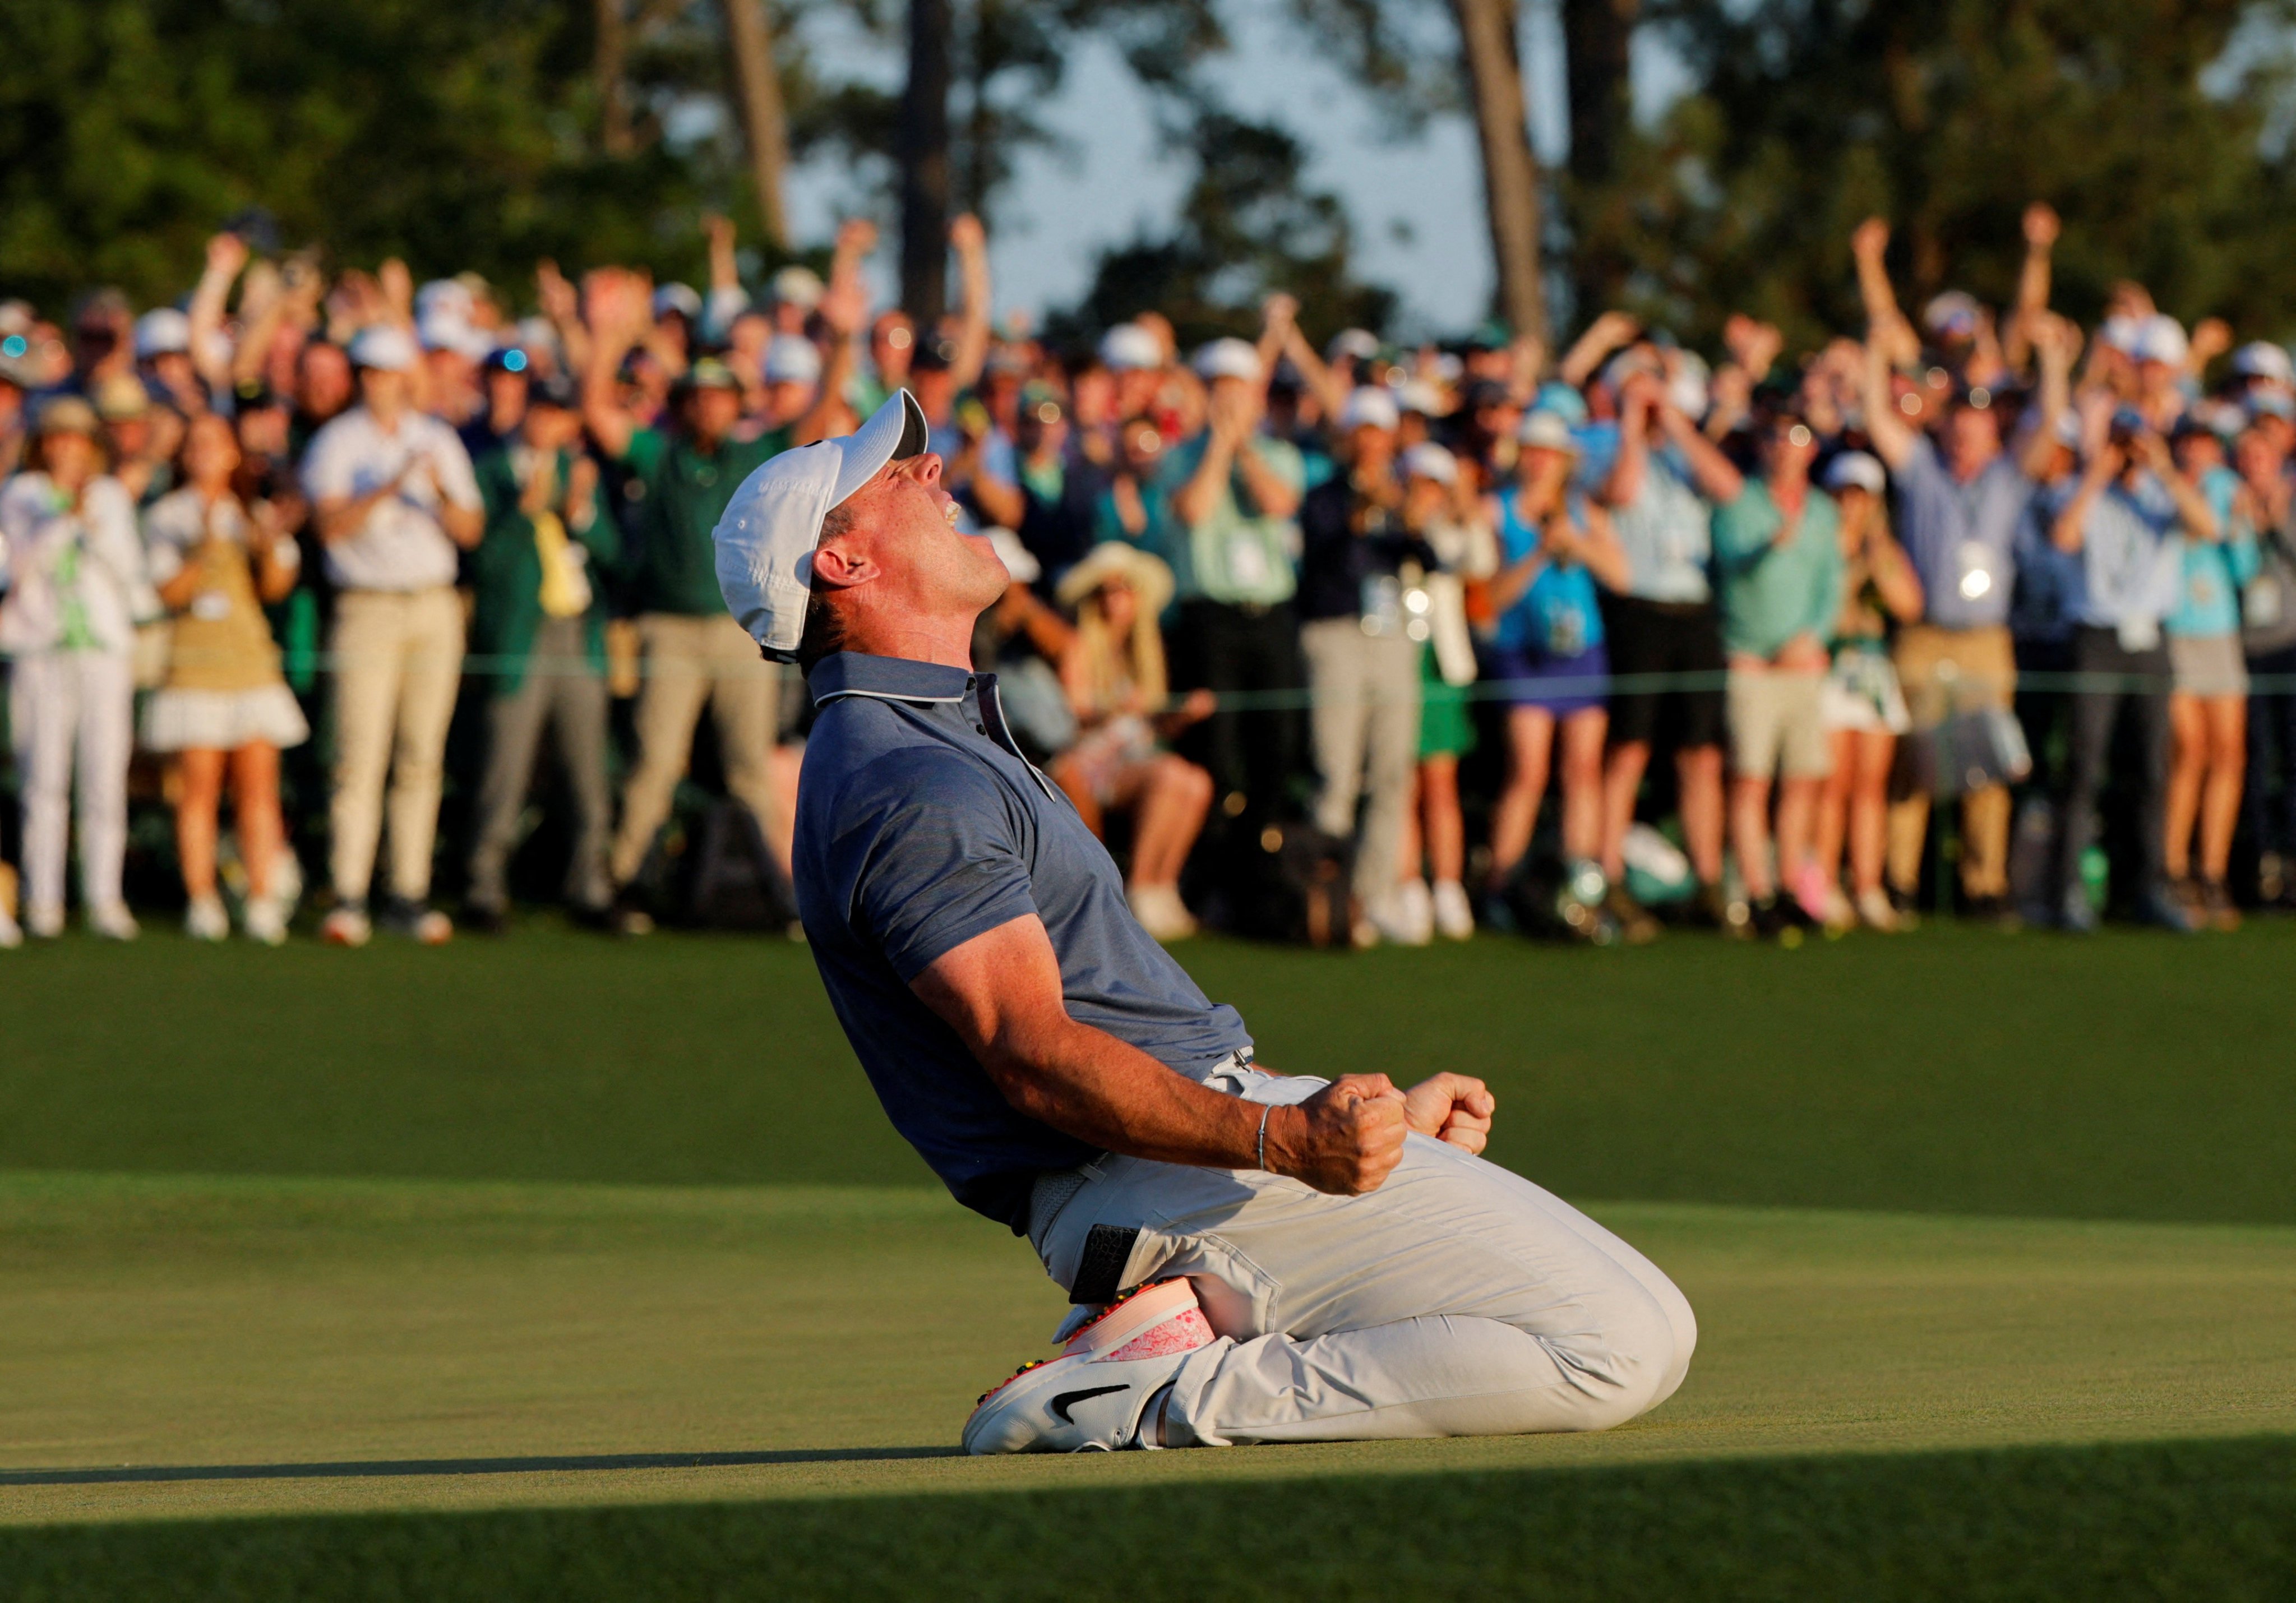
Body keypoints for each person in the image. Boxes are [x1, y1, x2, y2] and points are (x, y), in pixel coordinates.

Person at [712, 390, 1694, 1457]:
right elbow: (1033, 1057)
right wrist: (1284, 1139)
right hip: (1141, 1179)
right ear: (842, 564)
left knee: (1651, 1318)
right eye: (898, 478)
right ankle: (1138, 1396)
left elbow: (1119, 1023)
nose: (936, 473)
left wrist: (1354, 1122)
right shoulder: (906, 774)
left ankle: (1169, 1334)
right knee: (1617, 1343)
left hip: (1188, 1149)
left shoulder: (929, 735)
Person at [580, 266, 854, 931]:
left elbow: (819, 419)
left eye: (722, 395)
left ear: (738, 403)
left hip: (740, 633)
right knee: (653, 767)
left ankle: (787, 896)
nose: (710, 405)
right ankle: (627, 887)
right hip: (667, 631)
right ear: (684, 403)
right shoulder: (661, 455)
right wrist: (610, 339)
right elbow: (597, 410)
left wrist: (842, 346)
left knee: (749, 772)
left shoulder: (755, 456)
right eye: (699, 396)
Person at [1860, 256, 2073, 923]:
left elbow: (2050, 422)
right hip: (1925, 636)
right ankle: (1899, 882)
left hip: (1986, 638)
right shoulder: (1921, 469)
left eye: (1979, 421)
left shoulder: (2008, 476)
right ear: (1948, 425)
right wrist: (1873, 355)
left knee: (1989, 769)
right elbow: (1877, 416)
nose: (1967, 429)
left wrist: (2055, 362)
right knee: (1917, 764)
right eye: (1959, 419)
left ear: (1990, 430)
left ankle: (1985, 887)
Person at [301, 324, 484, 945]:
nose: (379, 383)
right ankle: (349, 893)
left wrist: (430, 489)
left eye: (388, 372)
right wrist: (385, 487)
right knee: (358, 755)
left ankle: (408, 891)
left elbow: (469, 529)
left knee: (420, 756)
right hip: (366, 608)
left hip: (432, 606)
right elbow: (329, 528)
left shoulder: (436, 439)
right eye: (369, 372)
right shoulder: (336, 442)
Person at [140, 412, 309, 943]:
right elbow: (167, 591)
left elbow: (277, 584)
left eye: (217, 444)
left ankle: (262, 898)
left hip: (248, 661)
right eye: (197, 445)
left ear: (235, 454)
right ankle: (203, 898)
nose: (206, 454)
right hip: (193, 663)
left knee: (258, 787)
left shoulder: (252, 513)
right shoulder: (168, 515)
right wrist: (204, 546)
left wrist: (262, 539)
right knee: (198, 787)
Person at [464, 373, 620, 931]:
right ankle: (485, 886)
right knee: (503, 767)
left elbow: (612, 556)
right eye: (543, 411)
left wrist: (579, 511)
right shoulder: (491, 471)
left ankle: (589, 885)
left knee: (586, 770)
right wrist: (521, 514)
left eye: (560, 414)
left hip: (577, 631)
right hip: (519, 634)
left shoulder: (581, 474)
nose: (550, 423)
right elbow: (483, 561)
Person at [0, 396, 155, 939]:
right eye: (57, 438)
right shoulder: (21, 496)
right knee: (43, 778)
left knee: (103, 776)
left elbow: (126, 569)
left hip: (102, 652)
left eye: (77, 439)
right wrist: (61, 519)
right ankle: (44, 901)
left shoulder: (110, 496)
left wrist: (90, 518)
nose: (67, 448)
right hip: (42, 651)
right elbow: (20, 567)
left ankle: (104, 897)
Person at [2047, 412, 2209, 932]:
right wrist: (2097, 473)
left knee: (2151, 768)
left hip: (2150, 638)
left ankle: (2148, 887)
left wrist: (2162, 467)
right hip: (2097, 636)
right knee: (2083, 764)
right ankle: (2068, 891)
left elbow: (2207, 528)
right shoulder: (2080, 489)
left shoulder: (2164, 492)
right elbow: (2063, 537)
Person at [1595, 368, 1739, 930]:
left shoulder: (1688, 451)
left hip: (1695, 612)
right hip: (1642, 612)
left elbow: (1729, 488)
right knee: (1629, 749)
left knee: (1701, 753)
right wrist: (1632, 425)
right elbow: (1623, 494)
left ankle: (1706, 879)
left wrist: (1674, 422)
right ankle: (1607, 874)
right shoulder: (1607, 448)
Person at [1295, 387, 1431, 944]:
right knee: (1337, 771)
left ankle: (1373, 895)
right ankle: (1331, 895)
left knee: (1394, 770)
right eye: (1363, 431)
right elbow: (1323, 552)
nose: (1373, 442)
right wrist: (1363, 508)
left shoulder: (1403, 496)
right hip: (1335, 635)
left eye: (1381, 431)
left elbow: (1431, 560)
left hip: (1392, 636)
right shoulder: (1325, 494)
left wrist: (1409, 516)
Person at [1486, 412, 1631, 931]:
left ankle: (1578, 885)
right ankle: (1500, 886)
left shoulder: (1580, 510)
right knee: (1527, 771)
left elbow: (1620, 574)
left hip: (1580, 652)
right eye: (1531, 450)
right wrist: (1540, 555)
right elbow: (1488, 598)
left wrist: (1579, 543)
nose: (1539, 461)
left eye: (1549, 452)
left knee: (1582, 771)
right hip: (1524, 653)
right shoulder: (1497, 511)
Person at [1154, 336, 1308, 825]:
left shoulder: (1278, 454)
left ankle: (1267, 848)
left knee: (1275, 736)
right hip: (1210, 618)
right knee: (1217, 741)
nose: (1227, 401)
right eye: (1216, 389)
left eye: (1236, 390)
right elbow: (1193, 510)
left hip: (1269, 616)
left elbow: (1278, 503)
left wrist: (1242, 448)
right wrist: (1218, 445)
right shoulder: (1179, 458)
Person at [1710, 404, 1846, 936]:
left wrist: (1812, 638)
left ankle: (1790, 887)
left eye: (1796, 437)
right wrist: (1769, 548)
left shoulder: (1822, 513)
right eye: (1775, 436)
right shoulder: (1738, 504)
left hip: (1803, 665)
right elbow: (1731, 572)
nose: (1785, 447)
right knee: (1749, 780)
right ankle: (1756, 892)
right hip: (1750, 663)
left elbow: (1830, 588)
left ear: (1810, 448)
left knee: (1801, 781)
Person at [1048, 542, 1215, 942]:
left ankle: (1162, 884)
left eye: (1122, 589)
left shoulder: (1143, 652)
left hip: (1134, 758)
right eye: (1106, 591)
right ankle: (1141, 886)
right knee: (1172, 775)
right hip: (1094, 762)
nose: (1114, 599)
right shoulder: (1080, 646)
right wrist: (1115, 710)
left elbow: (1153, 728)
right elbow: (1074, 716)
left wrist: (1182, 714)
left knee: (1195, 782)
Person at [1812, 451, 1923, 931]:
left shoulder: (1884, 550)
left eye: (1861, 496)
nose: (1852, 505)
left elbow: (1909, 605)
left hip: (1871, 668)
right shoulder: (1819, 544)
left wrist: (1877, 563)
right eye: (1845, 495)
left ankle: (1867, 885)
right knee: (1830, 783)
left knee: (1869, 785)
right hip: (1831, 665)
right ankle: (1822, 883)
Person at [1394, 441, 1493, 944]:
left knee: (1439, 780)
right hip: (1398, 661)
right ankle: (1409, 885)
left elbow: (1480, 562)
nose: (1425, 494)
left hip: (1441, 665)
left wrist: (1464, 504)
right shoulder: (1390, 524)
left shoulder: (1454, 529)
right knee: (1402, 783)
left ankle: (1448, 886)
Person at [2160, 419, 2256, 928]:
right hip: (2175, 631)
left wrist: (2242, 526)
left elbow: (2242, 568)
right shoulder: (2161, 489)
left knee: (2228, 752)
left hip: (2219, 633)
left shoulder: (2226, 491)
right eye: (2188, 450)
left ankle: (2212, 870)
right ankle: (2173, 869)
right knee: (2188, 750)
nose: (2197, 459)